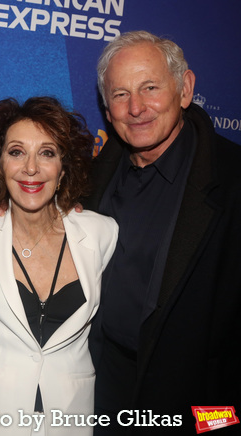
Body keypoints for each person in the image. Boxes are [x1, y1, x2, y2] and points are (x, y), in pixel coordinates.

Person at [86, 31, 241, 434]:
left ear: (184, 89)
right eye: (120, 94)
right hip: (103, 390)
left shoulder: (233, 179)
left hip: (194, 406)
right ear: (106, 106)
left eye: (150, 88)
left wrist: (221, 422)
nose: (135, 108)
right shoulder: (91, 179)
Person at [0, 96, 118, 435]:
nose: (31, 168)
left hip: (69, 420)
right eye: (16, 152)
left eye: (47, 153)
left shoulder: (101, 233)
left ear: (63, 167)